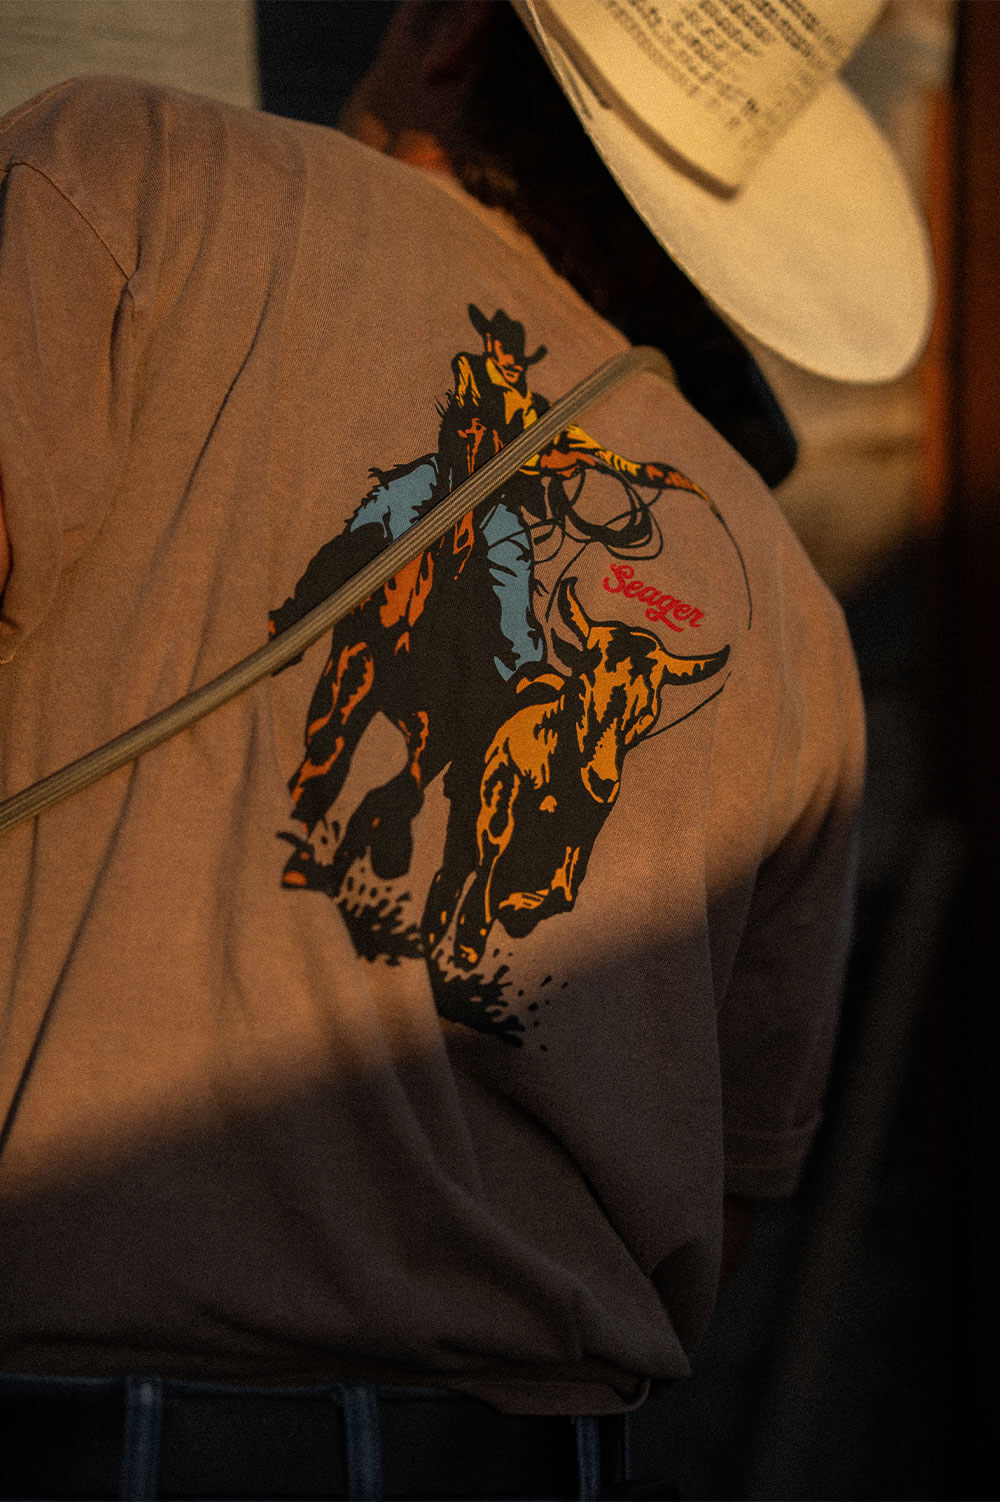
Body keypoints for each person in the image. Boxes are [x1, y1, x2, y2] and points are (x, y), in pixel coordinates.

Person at [0, 2, 930, 1497]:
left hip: (84, 1421)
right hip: (531, 1455)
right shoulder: (792, 615)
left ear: (447, 36)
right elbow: (729, 1196)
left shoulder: (129, 181)